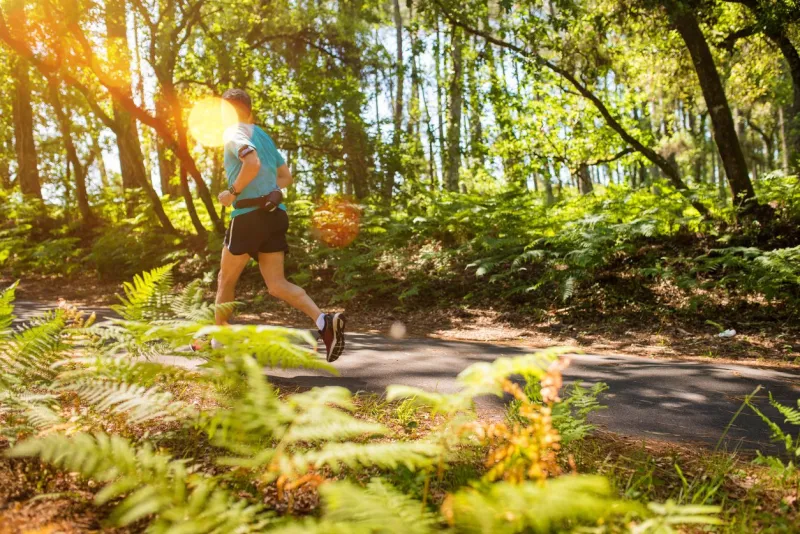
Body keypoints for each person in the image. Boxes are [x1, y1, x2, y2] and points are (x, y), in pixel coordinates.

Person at [193, 88, 346, 362]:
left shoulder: (231, 133)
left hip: (248, 216)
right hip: (274, 215)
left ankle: (218, 345)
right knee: (276, 284)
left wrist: (233, 192)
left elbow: (250, 162)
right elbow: (285, 177)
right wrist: (270, 191)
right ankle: (324, 322)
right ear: (250, 110)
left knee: (225, 279)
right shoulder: (263, 136)